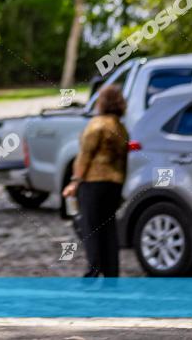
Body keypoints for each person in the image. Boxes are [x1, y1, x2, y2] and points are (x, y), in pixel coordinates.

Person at [62, 84, 130, 277]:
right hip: (114, 184)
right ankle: (111, 273)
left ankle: (93, 268)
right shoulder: (120, 127)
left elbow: (85, 155)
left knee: (90, 226)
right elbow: (123, 160)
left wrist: (75, 181)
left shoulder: (97, 124)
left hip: (93, 182)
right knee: (109, 229)